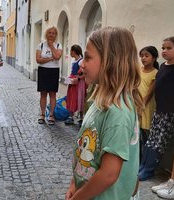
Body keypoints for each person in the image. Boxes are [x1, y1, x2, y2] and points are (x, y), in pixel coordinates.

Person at [65, 27, 143, 200]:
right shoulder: (100, 100)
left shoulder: (118, 112)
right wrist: (74, 183)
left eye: (88, 57)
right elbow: (85, 153)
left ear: (110, 61)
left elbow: (108, 174)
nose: (81, 63)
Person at [139, 36, 174, 184]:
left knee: (159, 142)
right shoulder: (163, 66)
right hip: (159, 110)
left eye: (169, 48)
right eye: (163, 48)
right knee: (150, 141)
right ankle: (142, 167)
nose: (164, 51)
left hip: (170, 112)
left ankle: (148, 171)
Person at [36, 26, 63, 125]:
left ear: (56, 35)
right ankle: (42, 115)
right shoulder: (41, 45)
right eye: (49, 33)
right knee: (43, 94)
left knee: (52, 94)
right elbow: (38, 60)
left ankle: (51, 115)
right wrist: (50, 59)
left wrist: (51, 46)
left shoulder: (59, 45)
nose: (51, 35)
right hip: (43, 71)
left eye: (53, 33)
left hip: (54, 71)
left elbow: (57, 56)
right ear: (46, 34)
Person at [137, 46, 158, 161]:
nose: (143, 58)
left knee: (145, 136)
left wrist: (141, 106)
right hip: (136, 105)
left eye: (146, 56)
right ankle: (137, 160)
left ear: (154, 58)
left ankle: (144, 162)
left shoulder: (156, 73)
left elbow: (149, 93)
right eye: (141, 56)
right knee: (136, 135)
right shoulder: (138, 70)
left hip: (146, 106)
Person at [65, 44, 83, 125]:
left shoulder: (81, 61)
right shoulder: (74, 61)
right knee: (71, 98)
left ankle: (81, 118)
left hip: (78, 83)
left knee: (79, 99)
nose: (70, 53)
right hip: (72, 82)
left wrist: (78, 78)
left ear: (73, 51)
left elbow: (84, 73)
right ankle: (71, 116)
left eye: (70, 51)